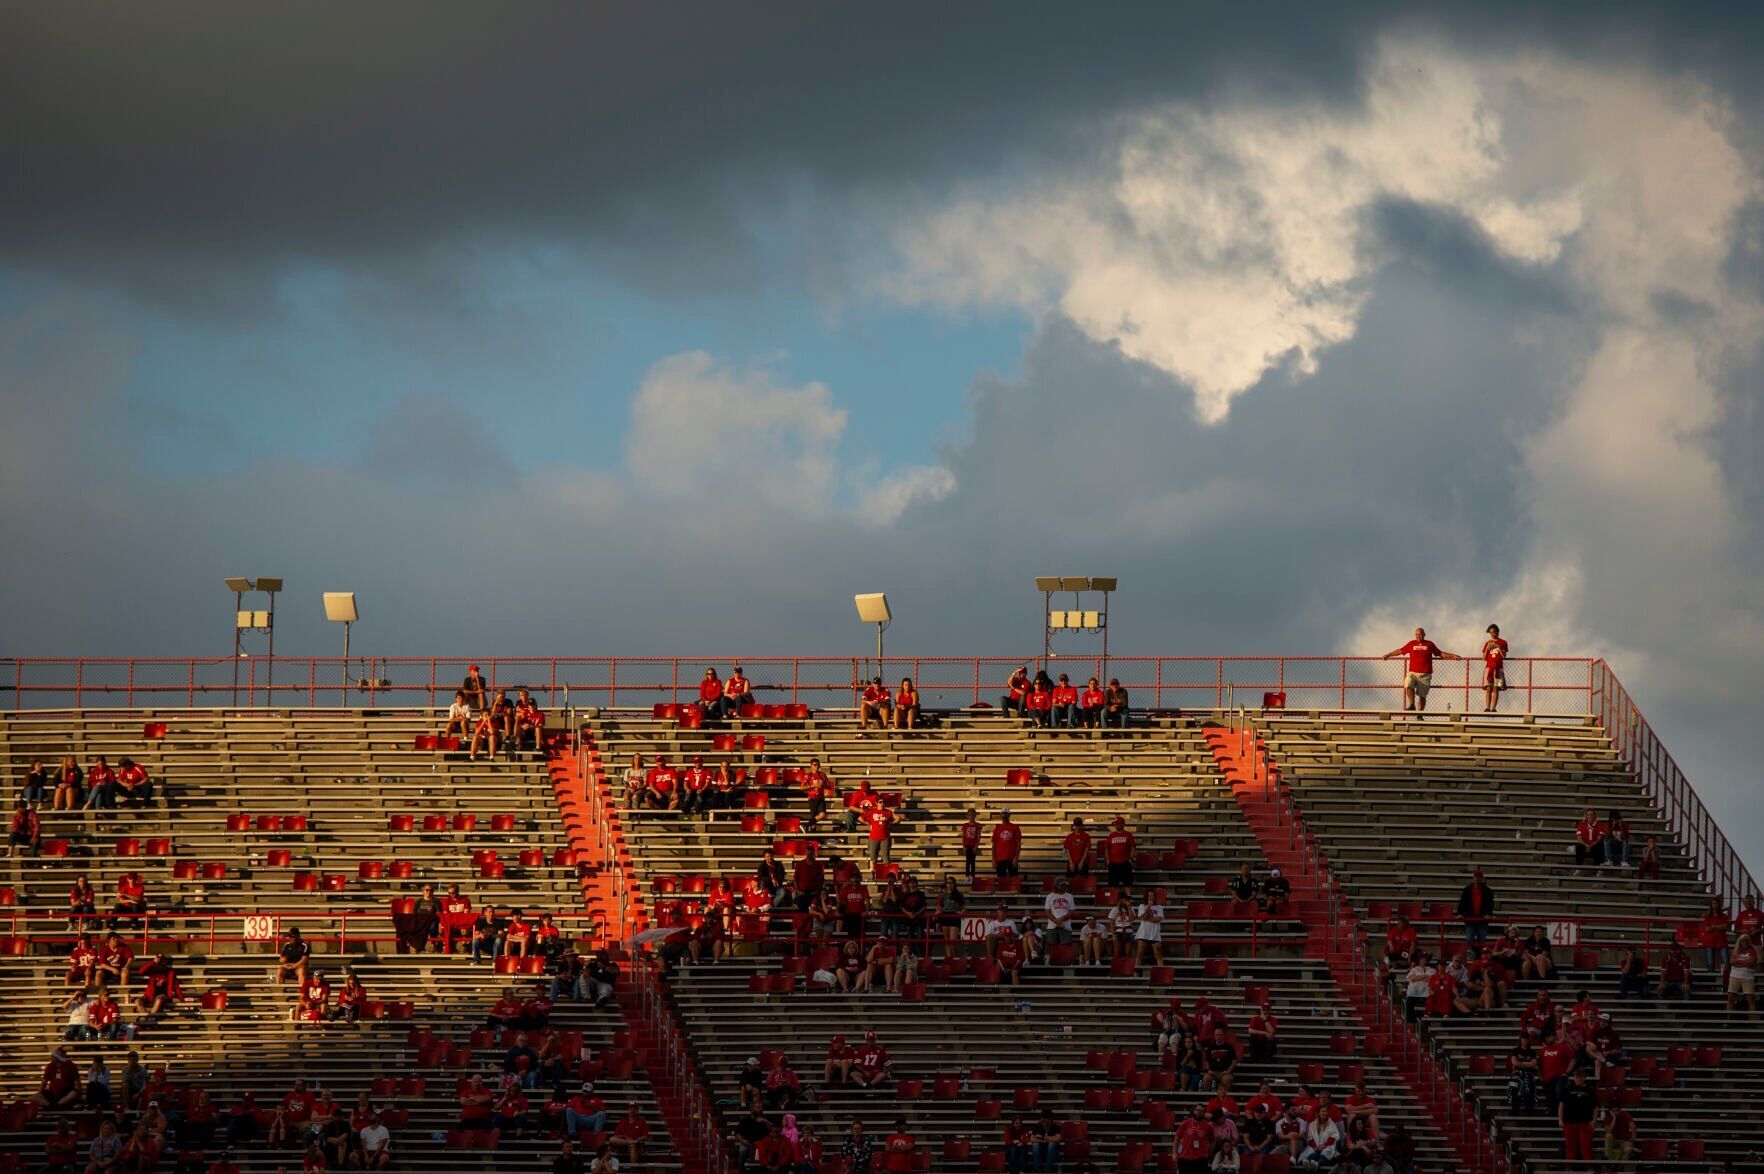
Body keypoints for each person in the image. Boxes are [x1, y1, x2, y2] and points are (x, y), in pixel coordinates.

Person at [1383, 627, 1460, 712]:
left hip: (1425, 674)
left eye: (1420, 635)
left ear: (1424, 635)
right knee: (1408, 684)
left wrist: (1453, 656)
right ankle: (1412, 705)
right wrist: (1388, 655)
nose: (1419, 637)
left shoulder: (1430, 644)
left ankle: (1420, 714)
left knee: (1422, 696)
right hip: (1413, 673)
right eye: (1417, 635)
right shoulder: (1411, 644)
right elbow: (1400, 651)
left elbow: (1440, 654)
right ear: (1415, 635)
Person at [1558, 1068, 1596, 1161]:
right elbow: (1561, 1105)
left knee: (1586, 1146)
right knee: (1570, 1146)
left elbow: (1595, 1107)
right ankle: (1569, 1167)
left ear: (1584, 1078)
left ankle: (1588, 1167)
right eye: (1576, 1077)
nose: (1578, 1079)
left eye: (1580, 1077)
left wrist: (1594, 1120)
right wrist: (1560, 1119)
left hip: (1585, 1122)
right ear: (1574, 1078)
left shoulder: (1590, 1091)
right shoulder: (1568, 1089)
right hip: (1569, 1122)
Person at [1457, 869, 1495, 945]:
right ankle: (1471, 956)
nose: (1477, 879)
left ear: (1482, 879)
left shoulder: (1488, 891)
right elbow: (1462, 902)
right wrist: (1460, 913)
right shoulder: (1467, 890)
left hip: (1482, 920)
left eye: (1479, 877)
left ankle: (1480, 955)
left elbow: (1490, 904)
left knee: (1481, 941)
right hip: (1470, 919)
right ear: (1473, 878)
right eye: (1476, 877)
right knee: (1470, 940)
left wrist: (1488, 914)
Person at [1175, 1104, 1215, 1174]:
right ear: (1194, 1111)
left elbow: (1213, 1141)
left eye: (1202, 1111)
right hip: (1185, 1158)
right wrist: (1174, 1153)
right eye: (1197, 1110)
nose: (1199, 1112)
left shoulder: (1208, 1126)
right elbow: (1177, 1138)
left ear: (1204, 1113)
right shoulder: (1185, 1123)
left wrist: (1209, 1153)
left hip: (1201, 1159)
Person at [1134, 888, 1166, 967]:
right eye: (1149, 895)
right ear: (1146, 897)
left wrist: (1147, 918)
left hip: (1155, 934)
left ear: (1155, 897)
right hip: (1143, 934)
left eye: (1152, 895)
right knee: (1139, 954)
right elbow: (1143, 918)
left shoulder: (1159, 907)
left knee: (1158, 955)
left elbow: (1158, 919)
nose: (1150, 897)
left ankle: (1160, 974)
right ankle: (1136, 974)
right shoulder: (1142, 906)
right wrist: (1149, 907)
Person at [1480, 624, 1508, 712]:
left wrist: (1499, 648)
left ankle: (1493, 708)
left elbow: (1504, 656)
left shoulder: (1503, 642)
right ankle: (1487, 707)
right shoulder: (1487, 643)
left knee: (1496, 688)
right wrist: (1487, 649)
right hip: (1489, 668)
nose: (1492, 634)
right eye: (1491, 632)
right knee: (1488, 688)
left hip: (1498, 668)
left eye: (1494, 632)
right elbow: (1484, 658)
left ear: (1497, 632)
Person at [1730, 931, 1759, 1014]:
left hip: (1748, 977)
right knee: (1731, 998)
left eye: (1747, 940)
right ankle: (1728, 1021)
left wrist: (1738, 961)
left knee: (1750, 999)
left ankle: (1753, 1021)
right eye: (1743, 940)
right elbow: (1732, 962)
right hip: (1734, 976)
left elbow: (1751, 964)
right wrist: (1745, 962)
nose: (1745, 942)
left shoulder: (1753, 950)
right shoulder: (1735, 950)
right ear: (1740, 941)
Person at [1103, 817, 1136, 888]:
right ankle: (1114, 898)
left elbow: (1133, 847)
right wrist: (1108, 860)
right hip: (1113, 863)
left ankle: (1128, 898)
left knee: (1127, 884)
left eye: (1117, 824)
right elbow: (1107, 848)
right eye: (1115, 824)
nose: (1116, 826)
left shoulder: (1128, 835)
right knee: (1113, 884)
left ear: (1122, 824)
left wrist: (1131, 858)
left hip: (1125, 862)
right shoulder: (1111, 835)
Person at [992, 809, 1023, 878]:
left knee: (1013, 879)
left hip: (1012, 858)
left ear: (1009, 815)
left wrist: (1016, 858)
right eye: (1003, 813)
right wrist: (993, 859)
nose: (1004, 815)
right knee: (1001, 880)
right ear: (1000, 815)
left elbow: (1018, 843)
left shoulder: (1015, 827)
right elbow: (994, 845)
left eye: (1006, 813)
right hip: (1000, 858)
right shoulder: (997, 829)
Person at [960, 809, 983, 880]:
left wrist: (976, 846)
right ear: (967, 816)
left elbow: (979, 836)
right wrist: (963, 846)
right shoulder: (965, 825)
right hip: (967, 845)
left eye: (972, 815)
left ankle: (972, 876)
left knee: (973, 861)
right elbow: (963, 836)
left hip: (973, 845)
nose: (971, 816)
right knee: (967, 861)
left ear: (975, 815)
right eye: (969, 815)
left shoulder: (978, 825)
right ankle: (967, 876)